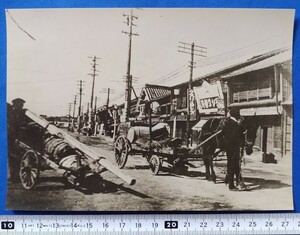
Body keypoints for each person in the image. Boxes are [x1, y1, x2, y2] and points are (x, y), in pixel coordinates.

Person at [221, 108, 243, 191]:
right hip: (234, 147)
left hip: (229, 147)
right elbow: (238, 135)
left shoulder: (227, 122)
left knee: (230, 163)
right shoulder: (235, 124)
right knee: (233, 164)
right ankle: (231, 185)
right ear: (236, 114)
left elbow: (223, 133)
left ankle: (231, 183)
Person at [7, 98, 26, 183]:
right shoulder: (11, 113)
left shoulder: (20, 113)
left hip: (16, 138)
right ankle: (13, 176)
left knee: (15, 158)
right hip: (11, 138)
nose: (21, 106)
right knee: (13, 158)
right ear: (15, 105)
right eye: (20, 105)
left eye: (22, 105)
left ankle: (15, 176)